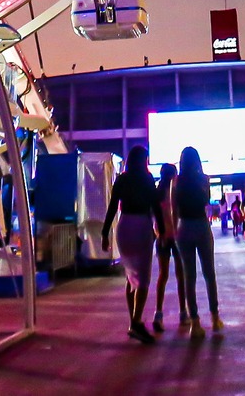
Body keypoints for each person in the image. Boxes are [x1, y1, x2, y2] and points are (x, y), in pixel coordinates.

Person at [101, 144, 162, 343]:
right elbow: (155, 206)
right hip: (142, 225)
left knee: (130, 275)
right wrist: (161, 229)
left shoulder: (122, 179)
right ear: (144, 160)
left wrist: (104, 233)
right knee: (143, 278)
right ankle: (136, 322)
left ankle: (132, 321)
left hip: (124, 225)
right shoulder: (147, 178)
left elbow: (112, 207)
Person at [170, 146, 223, 336]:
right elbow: (206, 201)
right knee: (209, 273)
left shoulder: (176, 182)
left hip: (183, 227)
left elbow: (173, 209)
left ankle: (195, 322)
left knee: (189, 277)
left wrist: (174, 231)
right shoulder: (204, 179)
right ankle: (215, 318)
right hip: (201, 225)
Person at [151, 163, 179, 331]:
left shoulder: (157, 191)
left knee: (163, 275)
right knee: (181, 275)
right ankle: (184, 312)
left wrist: (159, 233)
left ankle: (158, 313)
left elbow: (155, 216)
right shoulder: (173, 192)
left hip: (162, 237)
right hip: (175, 237)